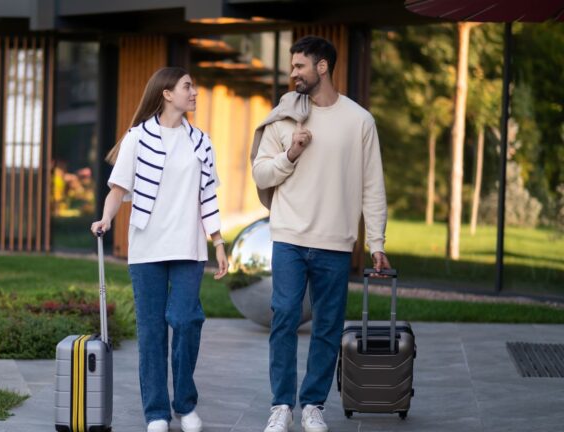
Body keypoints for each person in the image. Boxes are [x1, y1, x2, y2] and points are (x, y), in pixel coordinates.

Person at [251, 36, 392, 432]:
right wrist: (290, 153)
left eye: (299, 66)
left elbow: (372, 187)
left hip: (335, 241)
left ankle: (313, 404)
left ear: (323, 68)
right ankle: (281, 405)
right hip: (290, 237)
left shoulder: (359, 120)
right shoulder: (284, 116)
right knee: (283, 319)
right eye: (292, 66)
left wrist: (376, 242)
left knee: (328, 326)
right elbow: (260, 173)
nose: (292, 73)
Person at [91, 66, 228, 432]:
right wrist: (105, 219)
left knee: (186, 321)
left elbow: (209, 196)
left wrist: (218, 242)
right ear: (167, 93)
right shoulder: (138, 138)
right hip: (148, 248)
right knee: (151, 332)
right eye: (188, 86)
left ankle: (185, 404)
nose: (195, 92)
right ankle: (156, 413)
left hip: (189, 248)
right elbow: (118, 189)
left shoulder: (201, 141)